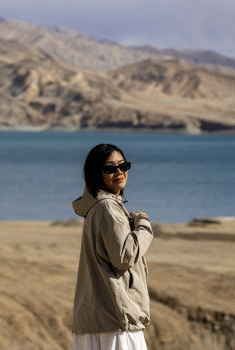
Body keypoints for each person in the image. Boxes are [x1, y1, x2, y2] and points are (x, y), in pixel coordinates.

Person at [71, 143, 153, 350]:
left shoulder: (97, 207)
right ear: (96, 174)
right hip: (116, 319)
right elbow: (124, 257)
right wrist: (143, 225)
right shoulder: (107, 207)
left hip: (100, 318)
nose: (119, 172)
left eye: (123, 166)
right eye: (109, 168)